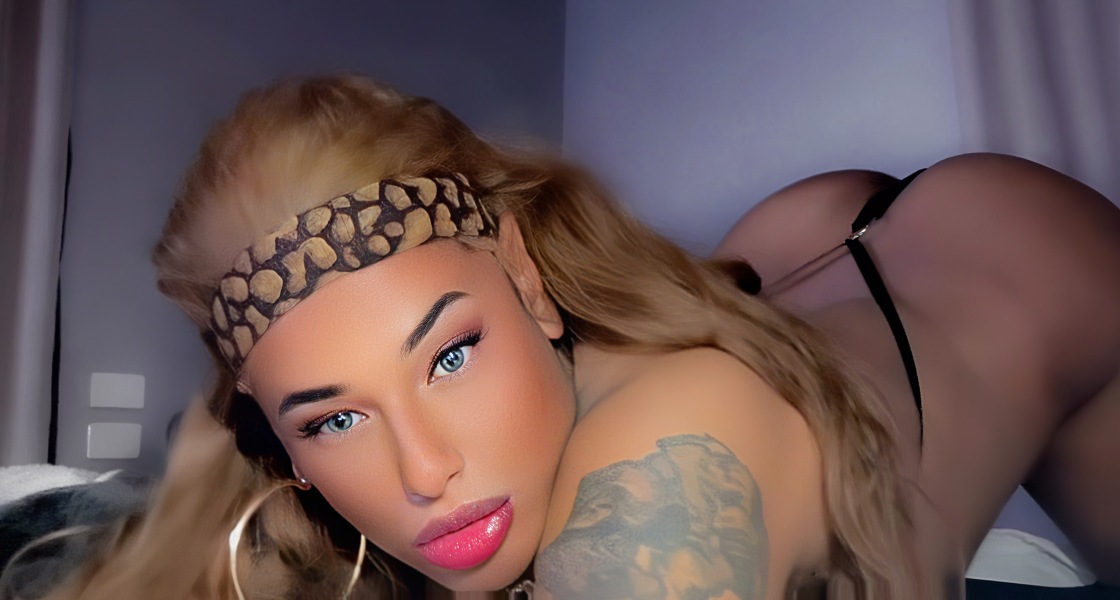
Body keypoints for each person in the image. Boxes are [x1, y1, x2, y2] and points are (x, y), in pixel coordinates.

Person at [22, 74, 1119, 599]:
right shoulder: (293, 490)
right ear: (282, 443)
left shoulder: (664, 478)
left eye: (450, 355)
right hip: (793, 243)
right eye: (336, 419)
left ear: (525, 281)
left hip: (1022, 255)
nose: (425, 472)